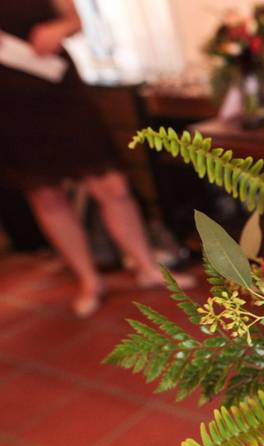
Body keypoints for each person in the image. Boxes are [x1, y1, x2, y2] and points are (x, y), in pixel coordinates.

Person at [0, 0, 194, 318]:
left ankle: (147, 267)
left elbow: (77, 19)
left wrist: (57, 29)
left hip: (58, 87)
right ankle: (89, 280)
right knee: (46, 193)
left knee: (111, 185)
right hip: (8, 101)